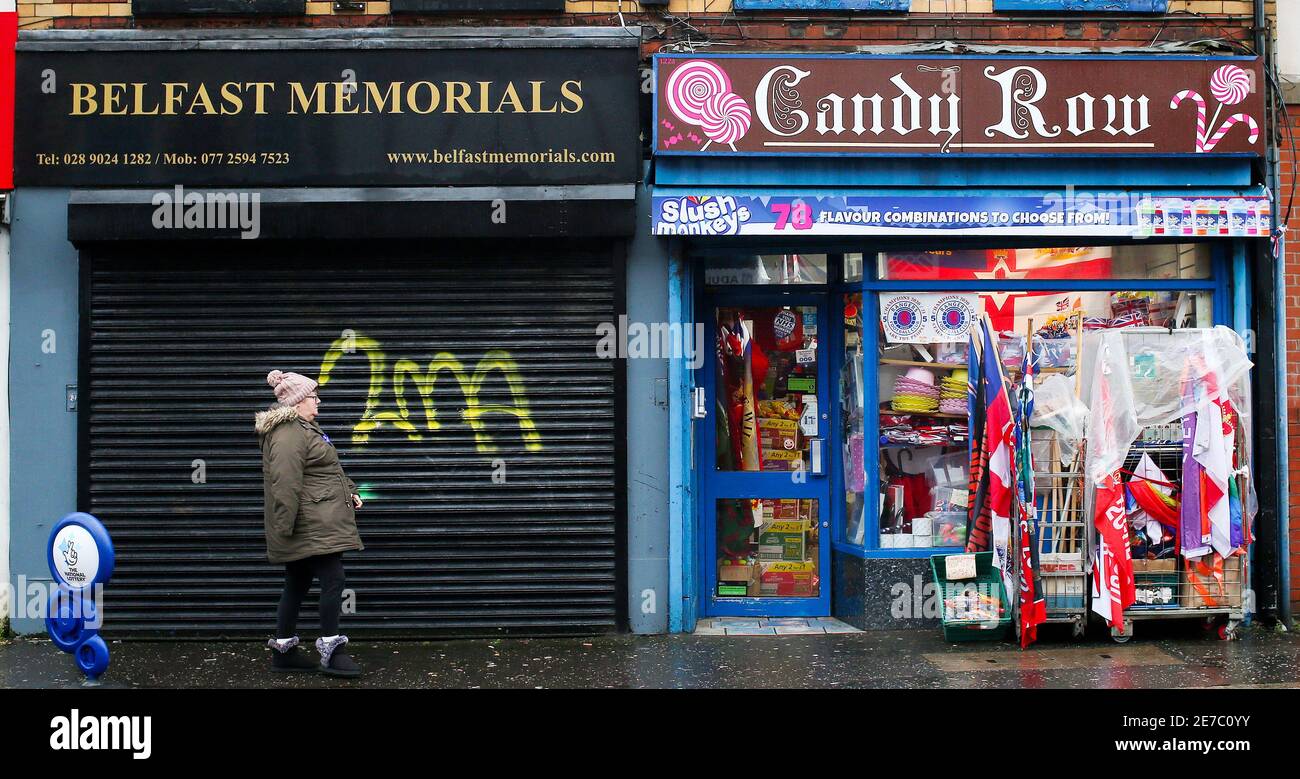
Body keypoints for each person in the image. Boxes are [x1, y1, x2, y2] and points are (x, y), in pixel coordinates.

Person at [256, 369, 365, 678]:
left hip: (313, 523)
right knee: (334, 579)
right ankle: (332, 651)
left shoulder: (305, 428)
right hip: (310, 525)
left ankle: (284, 650)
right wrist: (285, 527)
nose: (318, 401)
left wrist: (352, 491)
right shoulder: (289, 432)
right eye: (314, 396)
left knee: (297, 584)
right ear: (299, 400)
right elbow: (285, 483)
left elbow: (326, 470)